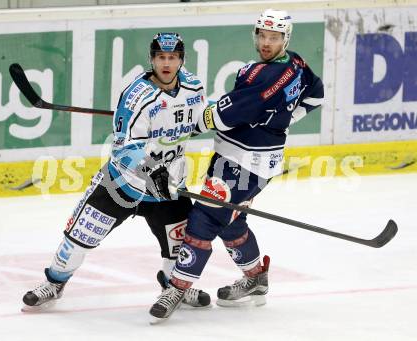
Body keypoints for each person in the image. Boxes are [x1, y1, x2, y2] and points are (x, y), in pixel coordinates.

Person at [149, 9, 324, 322]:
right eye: (263, 35)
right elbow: (316, 94)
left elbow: (221, 116)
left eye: (275, 37)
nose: (267, 42)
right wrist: (284, 122)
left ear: (286, 37)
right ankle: (255, 277)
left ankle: (177, 286)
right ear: (256, 34)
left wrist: (189, 120)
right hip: (243, 158)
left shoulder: (260, 74)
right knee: (229, 221)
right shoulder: (296, 63)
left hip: (244, 164)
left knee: (204, 218)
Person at [22, 32, 211, 311]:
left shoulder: (193, 87)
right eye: (161, 57)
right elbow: (122, 147)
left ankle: (174, 286)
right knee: (78, 239)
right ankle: (54, 283)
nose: (166, 63)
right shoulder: (135, 96)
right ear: (152, 59)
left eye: (172, 57)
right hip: (122, 184)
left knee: (179, 249)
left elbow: (199, 122)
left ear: (182, 60)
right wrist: (150, 170)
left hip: (169, 187)